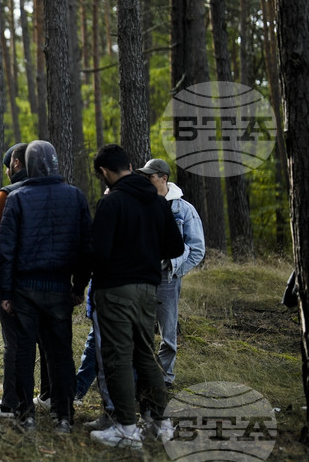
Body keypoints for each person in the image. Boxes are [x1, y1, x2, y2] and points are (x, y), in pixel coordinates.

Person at [88, 144, 184, 449]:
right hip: (148, 289)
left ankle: (127, 429)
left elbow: (99, 253)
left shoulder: (112, 202)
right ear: (130, 165)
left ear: (104, 172)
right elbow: (176, 248)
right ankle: (162, 423)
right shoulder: (158, 202)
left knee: (117, 357)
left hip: (116, 289)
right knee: (146, 355)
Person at [0, 141, 91, 434]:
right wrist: (79, 285)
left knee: (24, 353)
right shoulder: (75, 196)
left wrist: (6, 293)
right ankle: (64, 416)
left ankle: (27, 416)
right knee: (61, 353)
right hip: (60, 288)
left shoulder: (19, 197)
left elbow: (6, 251)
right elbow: (85, 246)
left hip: (25, 289)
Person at [136, 158, 205, 388]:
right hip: (142, 278)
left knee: (168, 335)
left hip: (167, 278)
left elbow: (197, 249)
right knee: (139, 330)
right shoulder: (140, 204)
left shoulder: (183, 209)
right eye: (144, 177)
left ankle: (165, 378)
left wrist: (177, 272)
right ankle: (142, 378)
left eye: (150, 177)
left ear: (163, 178)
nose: (146, 180)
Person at [0, 142, 27, 417]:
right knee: (49, 344)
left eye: (8, 166)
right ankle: (51, 398)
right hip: (53, 282)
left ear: (16, 164)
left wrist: (1, 268)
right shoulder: (64, 191)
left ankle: (11, 401)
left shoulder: (8, 193)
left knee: (13, 343)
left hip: (13, 281)